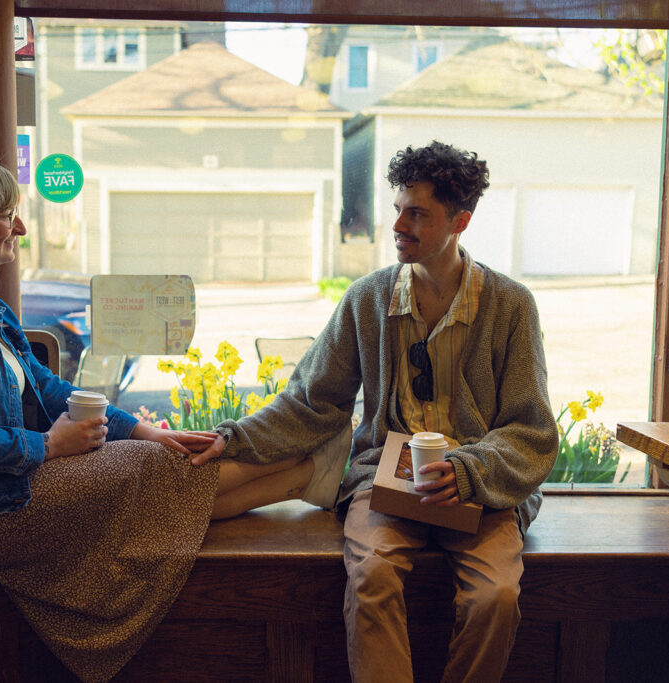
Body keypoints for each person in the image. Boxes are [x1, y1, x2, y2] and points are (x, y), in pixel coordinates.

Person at [0, 152, 328, 682]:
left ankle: (303, 474)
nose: (19, 226)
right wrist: (51, 447)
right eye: (5, 212)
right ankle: (307, 471)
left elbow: (47, 385)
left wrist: (141, 428)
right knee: (145, 470)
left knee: (152, 456)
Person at [193, 140, 559, 681]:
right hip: (384, 481)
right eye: (398, 209)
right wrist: (234, 437)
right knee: (372, 579)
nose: (398, 225)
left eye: (418, 213)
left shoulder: (511, 305)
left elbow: (531, 429)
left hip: (480, 491)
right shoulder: (368, 299)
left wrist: (468, 471)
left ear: (461, 220)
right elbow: (311, 401)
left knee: (496, 597)